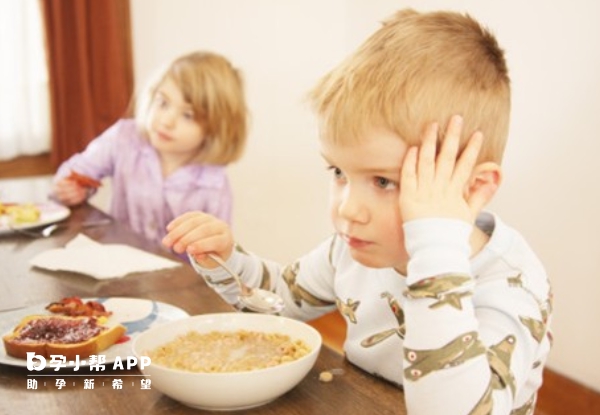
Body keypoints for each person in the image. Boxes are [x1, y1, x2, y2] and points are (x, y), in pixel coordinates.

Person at [162, 9, 552, 415]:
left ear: (471, 188)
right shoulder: (353, 249)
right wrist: (227, 260)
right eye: (338, 172)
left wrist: (434, 248)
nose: (347, 209)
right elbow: (283, 300)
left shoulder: (510, 286)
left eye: (384, 182)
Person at [51, 51, 248, 245]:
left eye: (188, 115)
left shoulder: (214, 183)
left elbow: (218, 255)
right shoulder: (123, 138)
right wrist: (71, 189)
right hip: (117, 264)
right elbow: (73, 173)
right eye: (163, 103)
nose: (166, 121)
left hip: (180, 276)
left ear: (215, 127)